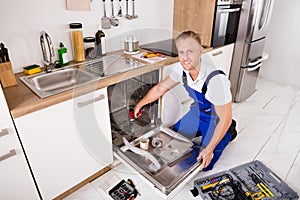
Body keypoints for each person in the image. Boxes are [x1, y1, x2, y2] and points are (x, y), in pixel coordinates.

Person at [133, 30, 236, 171]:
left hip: (216, 120)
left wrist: (210, 149)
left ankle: (228, 133)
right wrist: (140, 104)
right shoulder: (181, 69)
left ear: (200, 51)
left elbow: (225, 118)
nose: (185, 57)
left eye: (190, 51)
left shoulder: (215, 79)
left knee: (203, 163)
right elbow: (160, 88)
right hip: (196, 114)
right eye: (181, 52)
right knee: (171, 141)